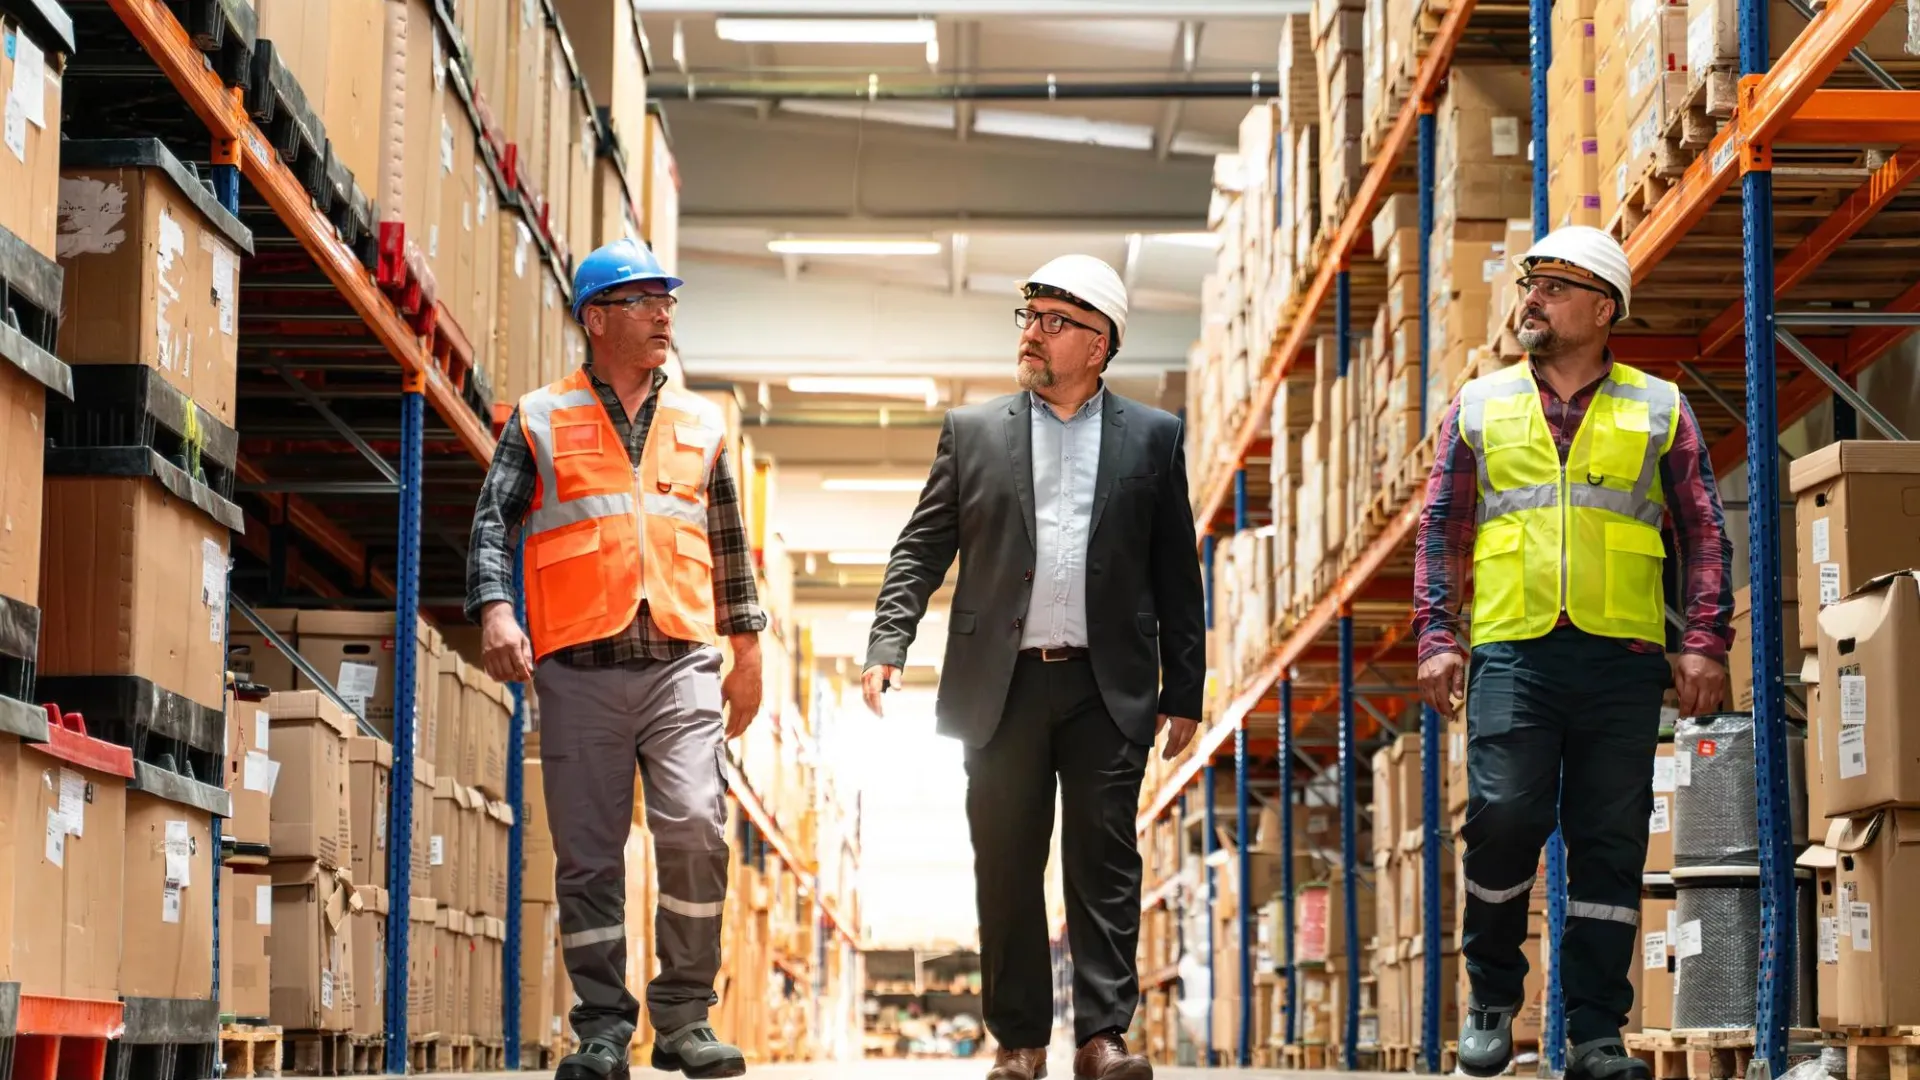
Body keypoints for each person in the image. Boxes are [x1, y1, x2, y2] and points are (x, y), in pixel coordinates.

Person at [861, 255, 1206, 1080]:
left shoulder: (1153, 439)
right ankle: (1018, 1043)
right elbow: (920, 549)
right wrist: (887, 643)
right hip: (1001, 687)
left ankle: (1101, 1038)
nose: (1032, 334)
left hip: (1105, 685)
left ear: (1100, 343)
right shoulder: (972, 432)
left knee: (1105, 865)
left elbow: (1175, 573)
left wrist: (1185, 691)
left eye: (1054, 321)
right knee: (1007, 866)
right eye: (1028, 318)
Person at [1412, 226, 1733, 1080]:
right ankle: (1491, 997)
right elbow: (1440, 530)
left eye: (1554, 287)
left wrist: (1703, 640)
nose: (1533, 300)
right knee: (1505, 819)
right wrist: (1437, 636)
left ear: (1602, 307)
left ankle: (1596, 1033)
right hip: (1513, 650)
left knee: (1608, 841)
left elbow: (1704, 531)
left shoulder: (1659, 406)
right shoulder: (1480, 404)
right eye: (1530, 285)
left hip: (1621, 655)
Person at [465, 238, 766, 1080]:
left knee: (699, 830)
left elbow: (730, 549)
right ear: (596, 319)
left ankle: (684, 1019)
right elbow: (494, 523)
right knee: (589, 853)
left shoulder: (701, 425)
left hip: (680, 663)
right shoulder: (540, 416)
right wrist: (495, 610)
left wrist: (747, 654)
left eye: (667, 300)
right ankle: (601, 1027)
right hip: (578, 667)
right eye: (643, 300)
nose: (664, 313)